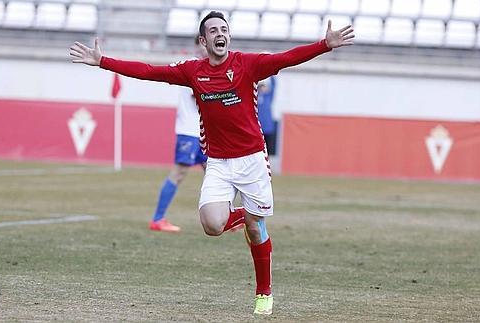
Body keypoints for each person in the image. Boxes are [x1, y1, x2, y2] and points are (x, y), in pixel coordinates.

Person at [69, 11, 354, 315]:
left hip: (253, 161)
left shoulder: (247, 64)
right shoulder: (193, 71)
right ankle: (247, 214)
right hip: (218, 161)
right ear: (203, 41)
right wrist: (103, 62)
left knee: (257, 230)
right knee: (212, 225)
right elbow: (150, 71)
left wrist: (325, 44)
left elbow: (286, 58)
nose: (220, 34)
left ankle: (264, 292)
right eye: (213, 31)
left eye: (224, 29)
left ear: (229, 36)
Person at [149, 37, 208, 233]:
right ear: (197, 45)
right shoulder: (192, 67)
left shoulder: (209, 68)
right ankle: (158, 219)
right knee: (179, 172)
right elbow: (200, 95)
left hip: (204, 133)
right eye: (201, 44)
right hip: (189, 131)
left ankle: (227, 217)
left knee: (215, 173)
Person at [257, 76, 277, 155]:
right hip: (258, 127)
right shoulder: (256, 97)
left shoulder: (268, 97)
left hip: (267, 127)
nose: (262, 89)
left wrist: (271, 74)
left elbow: (274, 86)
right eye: (261, 87)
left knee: (268, 148)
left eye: (264, 87)